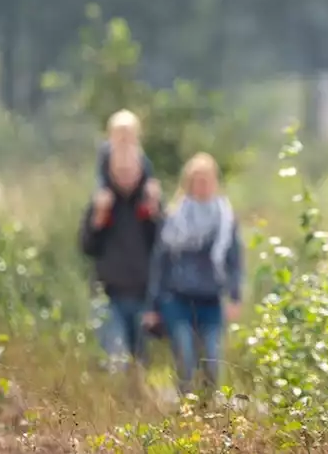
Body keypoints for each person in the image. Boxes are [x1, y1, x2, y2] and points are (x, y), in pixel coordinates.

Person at [143, 153, 244, 398]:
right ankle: (185, 410)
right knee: (185, 360)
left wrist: (235, 296)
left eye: (207, 179)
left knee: (212, 361)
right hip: (178, 299)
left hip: (211, 300)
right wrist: (152, 305)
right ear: (188, 183)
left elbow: (234, 260)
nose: (203, 185)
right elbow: (160, 263)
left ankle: (208, 411)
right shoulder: (174, 217)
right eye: (197, 180)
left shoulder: (225, 218)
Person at [78, 131, 162, 375]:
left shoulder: (150, 202)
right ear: (110, 170)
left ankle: (135, 413)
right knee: (117, 363)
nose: (125, 177)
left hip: (143, 296)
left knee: (140, 367)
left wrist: (154, 214)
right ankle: (113, 408)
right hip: (108, 296)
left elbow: (163, 248)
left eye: (130, 171)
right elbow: (86, 246)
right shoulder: (101, 202)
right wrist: (99, 219)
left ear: (140, 170)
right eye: (120, 171)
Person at [97, 109, 162, 209]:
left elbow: (148, 174)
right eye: (119, 133)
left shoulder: (139, 154)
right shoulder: (106, 154)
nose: (124, 138)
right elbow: (102, 177)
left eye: (128, 133)